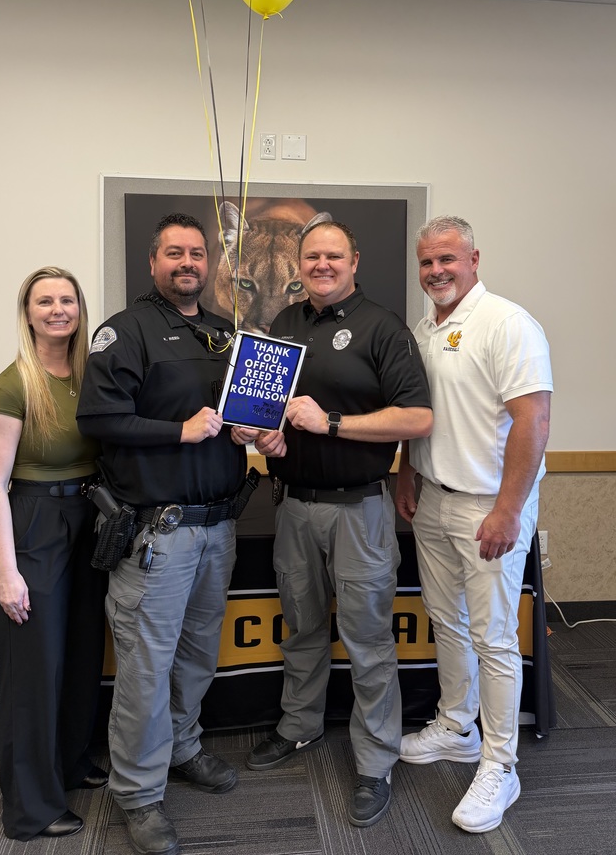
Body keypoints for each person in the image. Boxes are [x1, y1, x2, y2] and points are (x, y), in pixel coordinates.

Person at [235, 221, 432, 828]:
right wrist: (261, 431)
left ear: (354, 260)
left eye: (334, 255)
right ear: (301, 262)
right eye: (313, 255)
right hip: (293, 505)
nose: (323, 264)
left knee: (370, 641)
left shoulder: (383, 327)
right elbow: (269, 414)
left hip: (360, 511)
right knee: (301, 627)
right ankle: (299, 727)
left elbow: (418, 418)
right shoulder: (285, 326)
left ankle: (375, 761)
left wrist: (333, 423)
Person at [76, 213, 249, 855]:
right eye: (173, 252)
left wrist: (252, 430)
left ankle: (183, 747)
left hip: (217, 527)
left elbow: (234, 417)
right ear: (152, 262)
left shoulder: (224, 333)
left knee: (199, 654)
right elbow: (98, 416)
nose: (187, 263)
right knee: (146, 668)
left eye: (197, 254)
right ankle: (139, 793)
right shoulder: (124, 332)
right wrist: (178, 431)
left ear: (209, 265)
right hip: (158, 532)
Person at [395, 215, 552, 834]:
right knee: (446, 620)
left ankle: (499, 763)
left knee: (493, 637)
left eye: (447, 260)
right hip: (433, 498)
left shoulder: (507, 323)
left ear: (474, 258)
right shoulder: (425, 329)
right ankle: (456, 726)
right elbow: (420, 415)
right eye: (427, 262)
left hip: (489, 506)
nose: (436, 272)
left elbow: (534, 423)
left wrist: (510, 509)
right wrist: (408, 473)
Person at [0, 267, 107, 841]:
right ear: (27, 313)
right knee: (35, 669)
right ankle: (30, 808)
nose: (58, 309)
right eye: (45, 301)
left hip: (88, 519)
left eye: (67, 300)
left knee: (80, 654)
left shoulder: (89, 375)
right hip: (33, 524)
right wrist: (7, 572)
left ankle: (70, 763)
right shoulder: (11, 385)